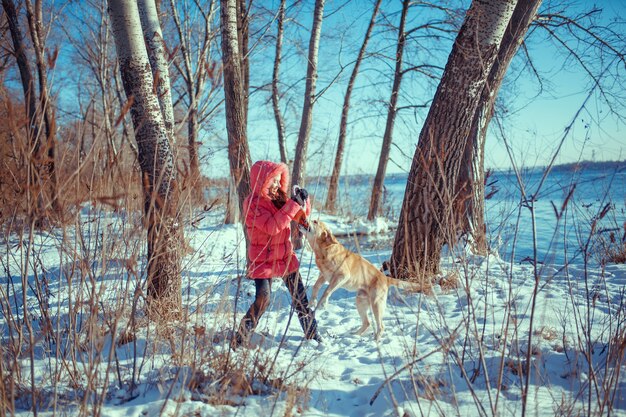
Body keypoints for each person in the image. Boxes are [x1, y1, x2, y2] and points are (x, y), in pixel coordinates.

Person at [232, 160, 322, 347]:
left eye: (278, 180)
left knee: (300, 298)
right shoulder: (252, 204)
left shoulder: (280, 198)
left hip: (284, 256)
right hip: (263, 259)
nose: (276, 185)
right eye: (272, 181)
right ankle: (241, 335)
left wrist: (303, 202)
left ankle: (312, 334)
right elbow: (272, 226)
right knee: (263, 298)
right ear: (261, 181)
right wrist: (292, 204)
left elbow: (300, 218)